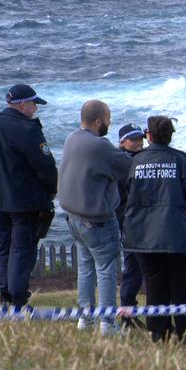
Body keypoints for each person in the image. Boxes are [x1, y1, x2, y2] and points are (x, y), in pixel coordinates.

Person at [122, 116, 186, 345]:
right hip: (174, 232)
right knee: (179, 282)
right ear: (170, 136)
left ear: (148, 136)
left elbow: (125, 190)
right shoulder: (181, 161)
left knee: (153, 282)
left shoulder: (134, 162)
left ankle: (158, 333)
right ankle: (185, 333)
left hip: (142, 233)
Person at [0, 84, 57, 308]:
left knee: (2, 246)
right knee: (22, 248)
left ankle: (4, 294)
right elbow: (46, 166)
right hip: (24, 201)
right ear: (23, 105)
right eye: (33, 105)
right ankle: (18, 298)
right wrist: (52, 190)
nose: (35, 110)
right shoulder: (27, 129)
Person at [58, 100, 130, 336]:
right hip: (97, 221)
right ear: (99, 121)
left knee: (86, 268)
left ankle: (84, 319)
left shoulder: (71, 138)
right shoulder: (101, 145)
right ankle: (107, 324)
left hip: (74, 218)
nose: (109, 123)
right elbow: (129, 168)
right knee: (106, 269)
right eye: (108, 119)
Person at [116, 123, 146, 329]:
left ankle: (129, 312)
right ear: (122, 142)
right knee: (133, 267)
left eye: (140, 139)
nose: (138, 143)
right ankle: (127, 312)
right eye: (133, 139)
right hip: (129, 220)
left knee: (135, 267)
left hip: (137, 219)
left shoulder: (139, 159)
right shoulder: (122, 162)